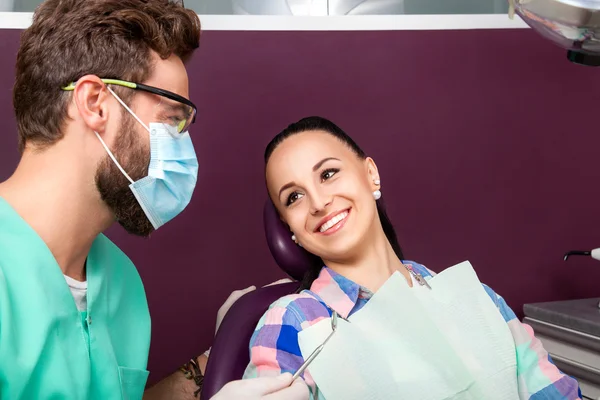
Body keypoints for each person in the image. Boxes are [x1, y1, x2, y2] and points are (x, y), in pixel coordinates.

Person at [0, 0, 308, 399]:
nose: (184, 146)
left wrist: (216, 360)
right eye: (172, 118)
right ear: (95, 103)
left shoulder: (120, 284)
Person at [242, 116, 582, 399]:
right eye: (294, 197)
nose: (317, 202)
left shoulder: (476, 299)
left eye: (328, 174)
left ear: (370, 174)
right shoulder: (294, 323)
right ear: (291, 229)